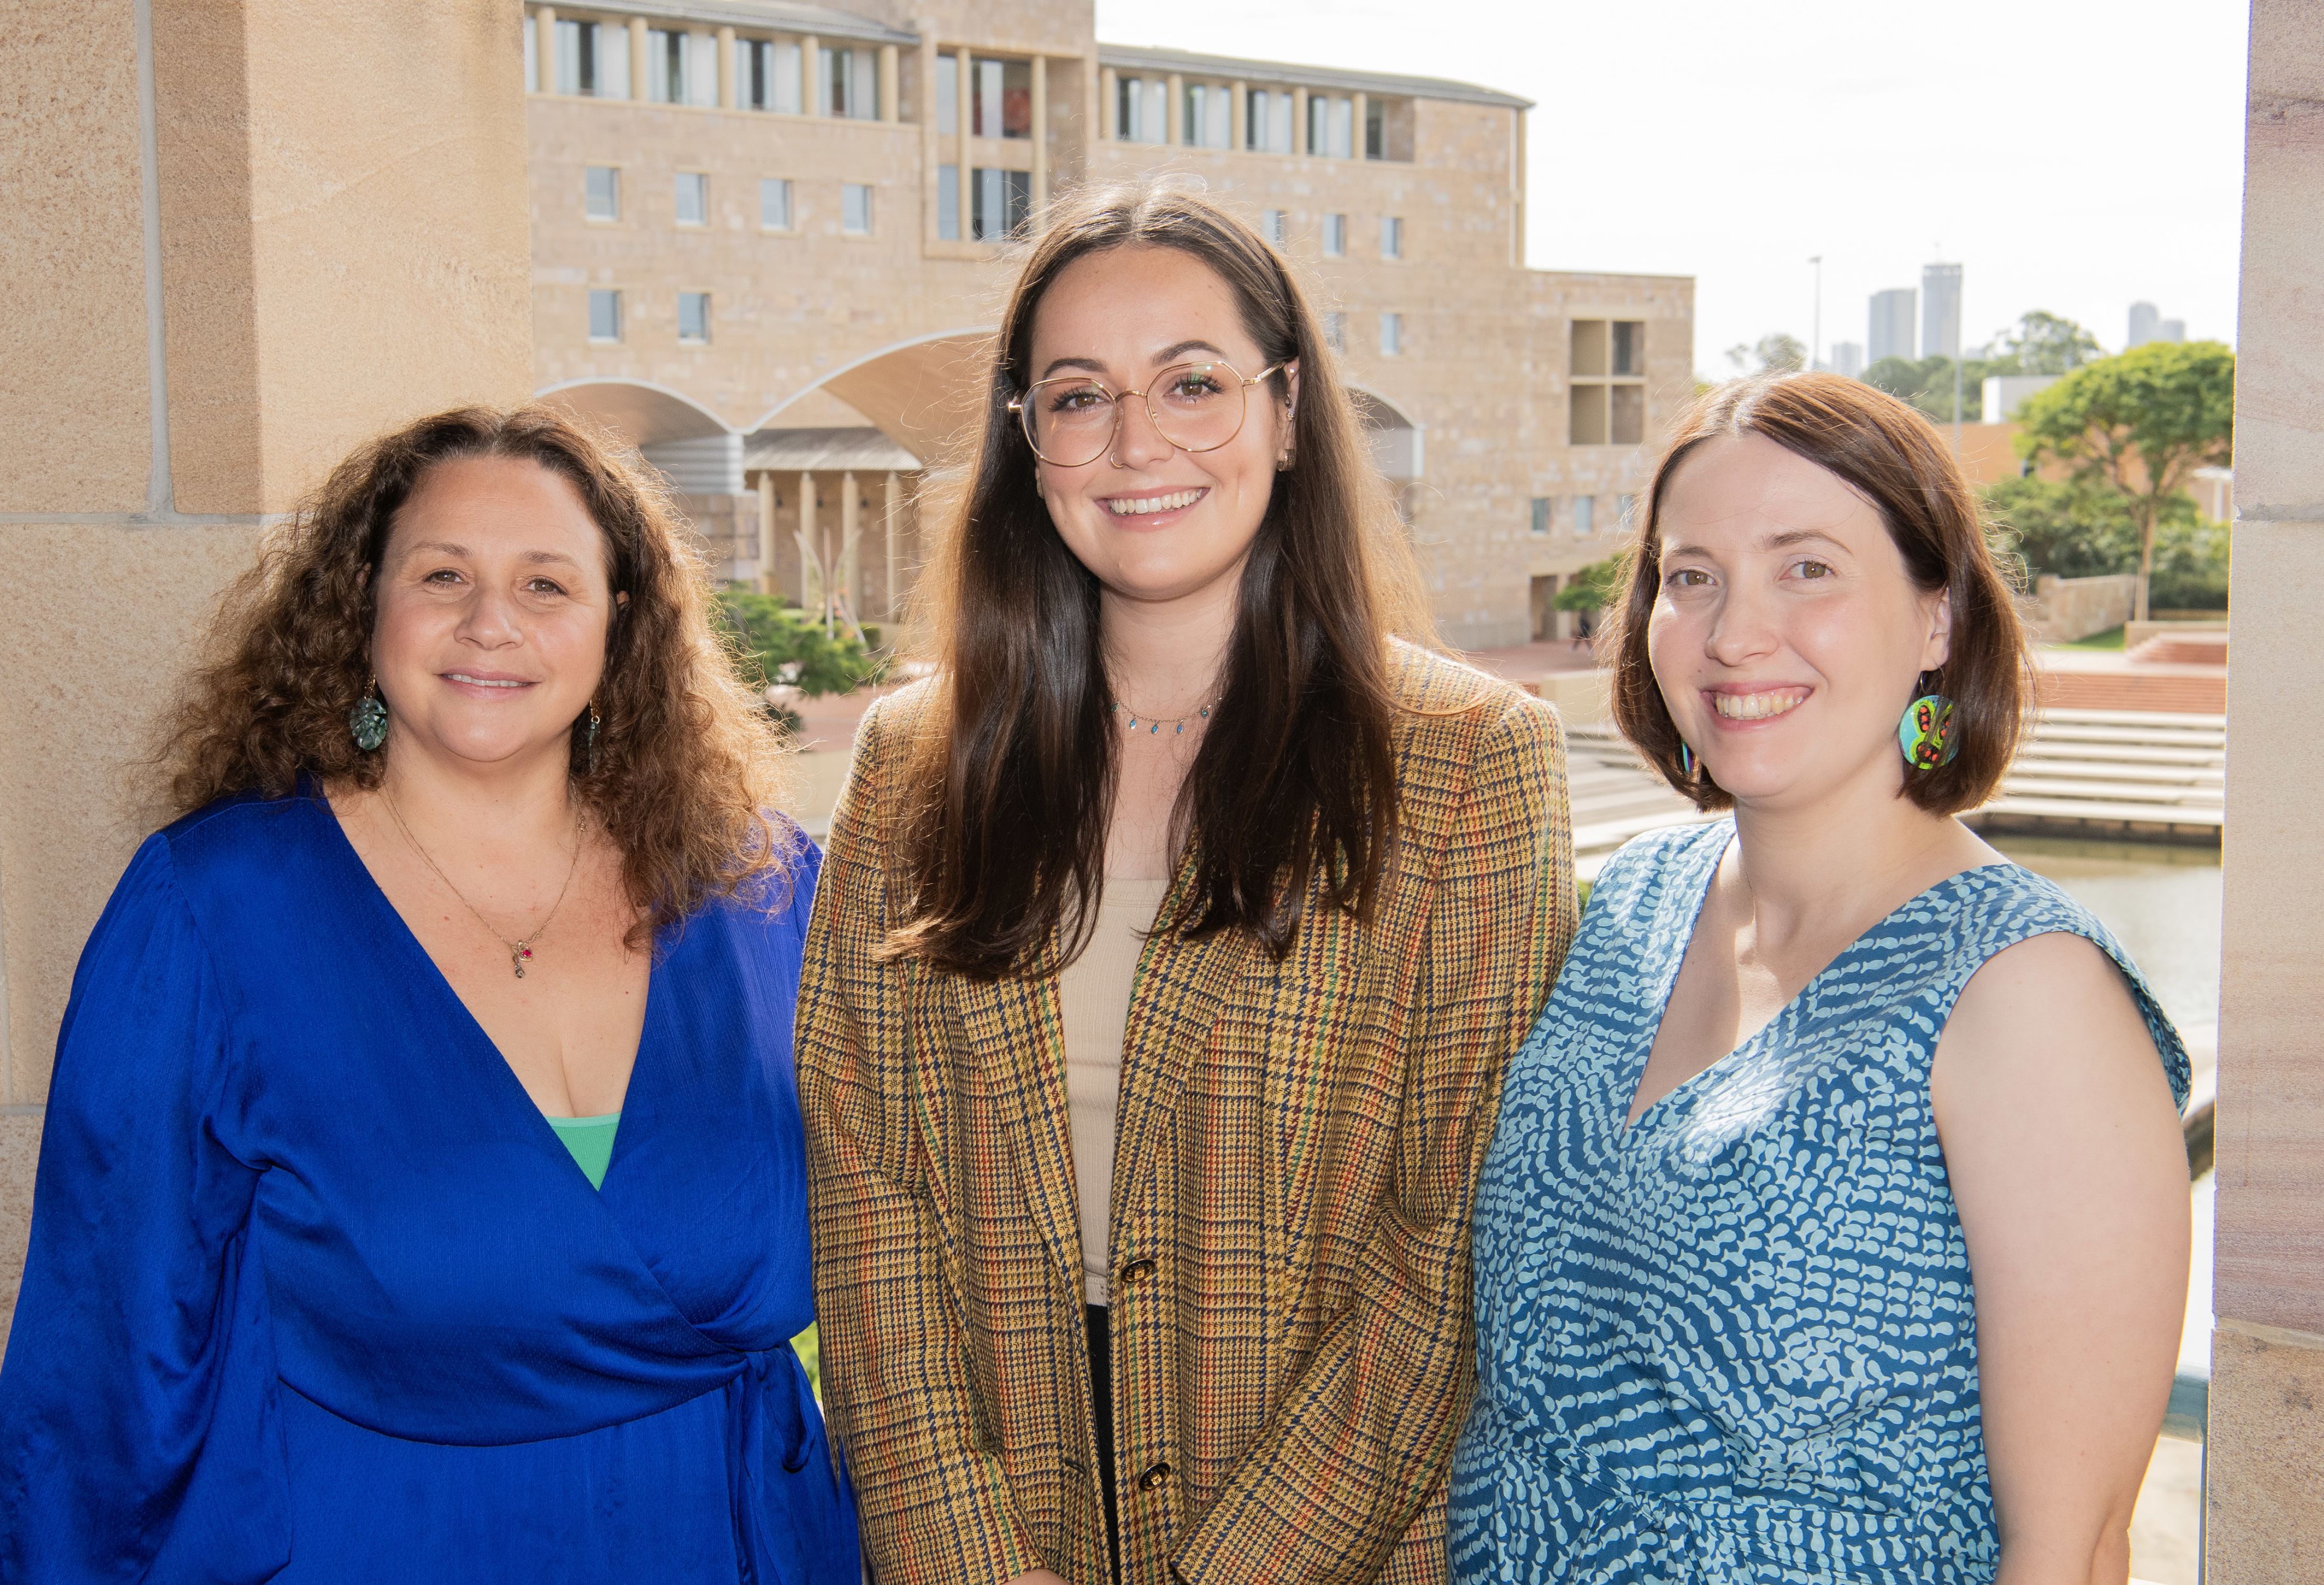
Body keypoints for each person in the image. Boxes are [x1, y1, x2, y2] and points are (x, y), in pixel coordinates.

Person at [797, 180, 1579, 1585]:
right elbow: (865, 1181)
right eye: (1079, 396)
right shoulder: (914, 759)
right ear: (1025, 440)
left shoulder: (1467, 763)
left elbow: (1453, 1232)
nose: (1134, 441)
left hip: (1329, 1537)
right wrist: (961, 1552)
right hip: (1001, 1522)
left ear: (1285, 415)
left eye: (1193, 383)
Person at [0, 407, 858, 1584]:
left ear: (618, 626)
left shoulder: (765, 894)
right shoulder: (210, 912)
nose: (491, 621)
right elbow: (108, 1353)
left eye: (546, 582)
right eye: (442, 574)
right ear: (363, 607)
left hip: (740, 1535)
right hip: (383, 1539)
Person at [1448, 373, 2192, 1584]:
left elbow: (2068, 1550)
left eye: (1806, 568)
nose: (1734, 632)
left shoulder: (2023, 995)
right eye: (1691, 575)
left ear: (1936, 618)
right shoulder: (1637, 894)